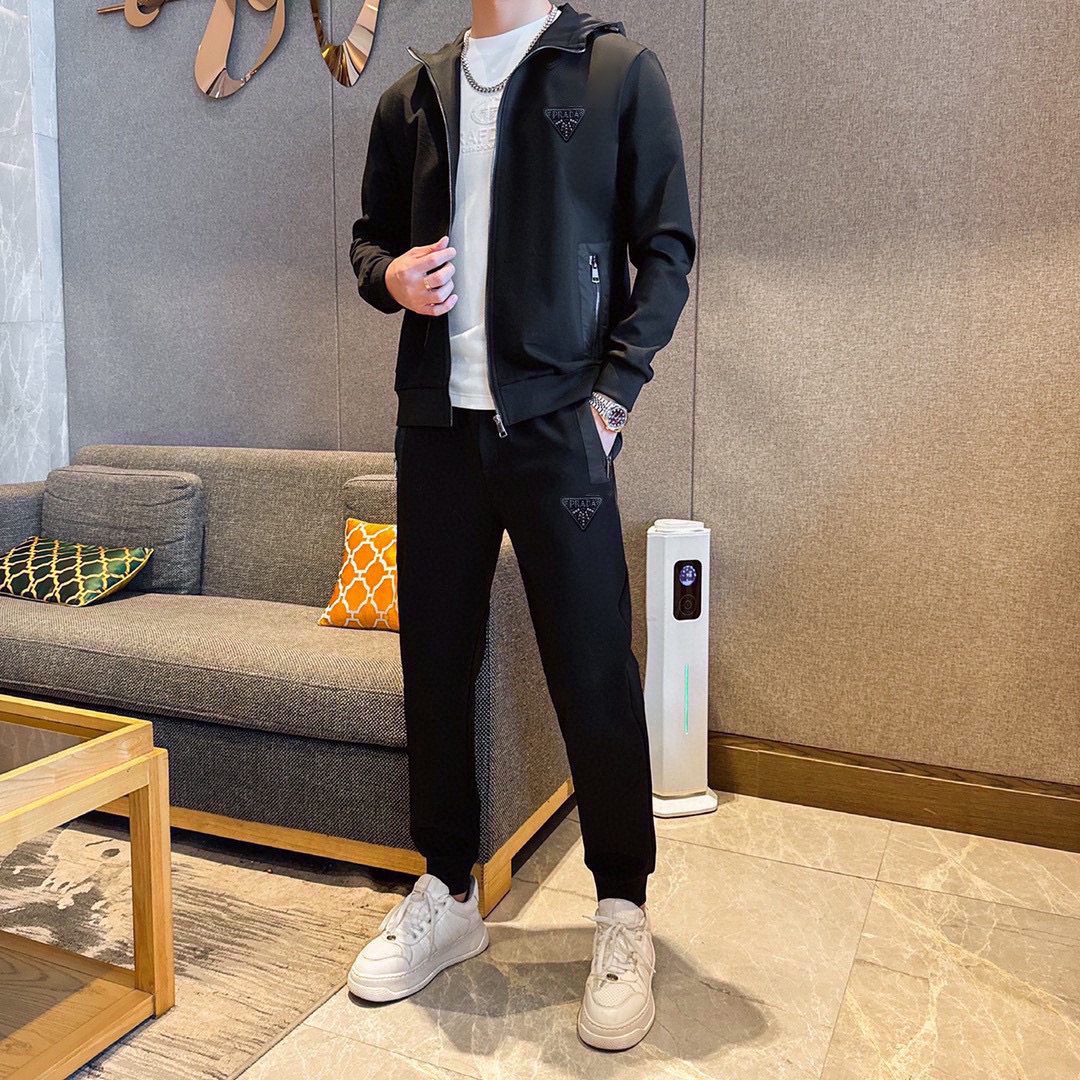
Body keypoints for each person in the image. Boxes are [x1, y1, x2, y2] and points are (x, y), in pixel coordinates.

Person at [345, 0, 695, 1051]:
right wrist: (388, 276)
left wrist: (612, 397)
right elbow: (368, 240)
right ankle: (449, 891)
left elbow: (667, 249)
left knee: (593, 672)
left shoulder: (616, 72)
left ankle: (622, 910)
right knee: (434, 665)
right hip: (436, 432)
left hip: (559, 430)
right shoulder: (413, 95)